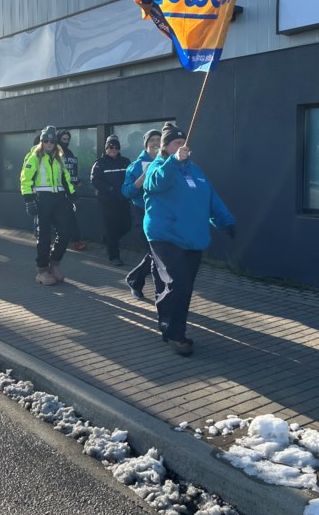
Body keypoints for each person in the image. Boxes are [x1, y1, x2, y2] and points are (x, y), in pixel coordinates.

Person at [144, 122, 235, 356]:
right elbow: (156, 182)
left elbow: (211, 199)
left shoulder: (195, 171)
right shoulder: (158, 166)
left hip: (193, 238)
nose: (182, 146)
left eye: (184, 142)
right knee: (178, 284)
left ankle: (172, 324)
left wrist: (225, 221)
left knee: (182, 288)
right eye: (176, 142)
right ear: (165, 147)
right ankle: (175, 334)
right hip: (166, 236)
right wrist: (173, 161)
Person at [20, 125, 76, 285]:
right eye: (46, 140)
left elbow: (65, 177)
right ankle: (42, 270)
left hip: (58, 198)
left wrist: (71, 194)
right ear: (42, 141)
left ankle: (54, 263)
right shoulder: (34, 156)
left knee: (65, 233)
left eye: (52, 140)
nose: (49, 143)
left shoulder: (60, 156)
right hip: (42, 199)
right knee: (44, 237)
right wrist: (29, 200)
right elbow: (25, 178)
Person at [121, 128, 163, 300]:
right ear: (146, 144)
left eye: (159, 140)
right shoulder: (136, 166)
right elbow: (126, 192)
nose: (155, 144)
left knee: (158, 253)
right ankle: (161, 292)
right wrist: (141, 180)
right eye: (152, 140)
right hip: (143, 212)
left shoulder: (166, 163)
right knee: (156, 253)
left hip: (163, 213)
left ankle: (135, 279)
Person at [90, 134, 132, 266]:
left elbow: (131, 177)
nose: (113, 149)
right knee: (112, 229)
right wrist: (109, 190)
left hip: (123, 200)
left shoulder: (126, 161)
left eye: (116, 147)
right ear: (106, 148)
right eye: (110, 146)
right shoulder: (99, 163)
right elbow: (95, 180)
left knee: (127, 225)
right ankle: (114, 256)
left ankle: (108, 239)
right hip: (107, 202)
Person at [58, 129, 87, 251]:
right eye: (63, 139)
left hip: (67, 191)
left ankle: (75, 241)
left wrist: (76, 181)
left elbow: (70, 171)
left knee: (70, 216)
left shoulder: (69, 152)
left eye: (67, 139)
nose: (66, 142)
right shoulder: (54, 152)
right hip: (54, 191)